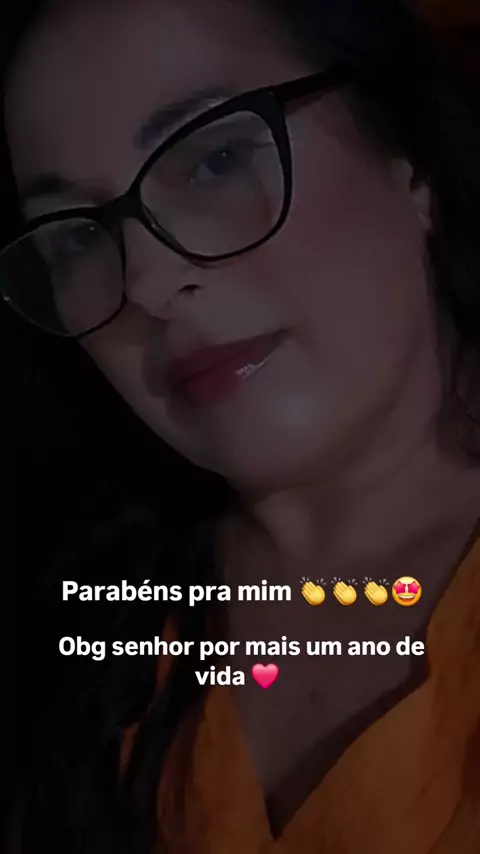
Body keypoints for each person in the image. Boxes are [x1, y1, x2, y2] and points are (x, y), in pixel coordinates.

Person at [1, 0, 480, 852]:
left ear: (405, 156)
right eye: (76, 239)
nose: (147, 285)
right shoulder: (77, 634)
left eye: (215, 159)